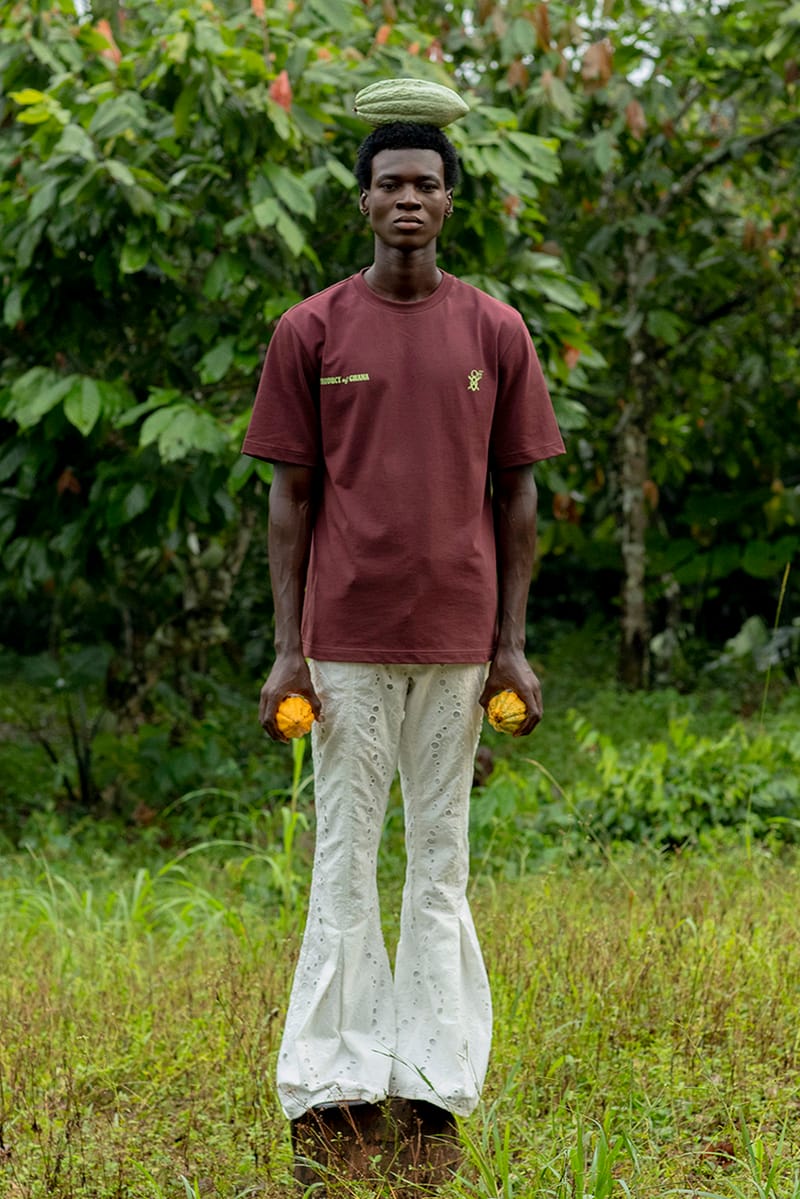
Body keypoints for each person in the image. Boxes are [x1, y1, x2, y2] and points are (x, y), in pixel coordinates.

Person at [242, 118, 565, 1183]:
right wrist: (287, 649)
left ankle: (428, 1092)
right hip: (342, 641)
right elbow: (290, 497)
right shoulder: (310, 330)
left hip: (460, 643)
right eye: (390, 184)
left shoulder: (495, 330)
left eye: (427, 183)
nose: (409, 200)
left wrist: (510, 648)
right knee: (342, 860)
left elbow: (516, 491)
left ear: (451, 200)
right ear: (364, 200)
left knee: (437, 866)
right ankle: (331, 1095)